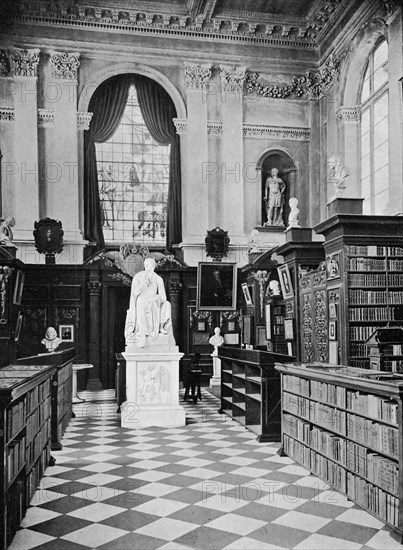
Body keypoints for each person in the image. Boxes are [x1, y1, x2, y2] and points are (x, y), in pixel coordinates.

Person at [125, 257, 171, 348]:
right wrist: (143, 286)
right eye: (145, 265)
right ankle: (142, 334)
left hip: (153, 302)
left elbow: (163, 296)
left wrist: (157, 298)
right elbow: (134, 293)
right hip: (141, 300)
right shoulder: (138, 277)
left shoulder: (158, 279)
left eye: (149, 265)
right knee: (141, 304)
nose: (147, 267)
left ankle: (160, 328)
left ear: (153, 267)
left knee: (167, 305)